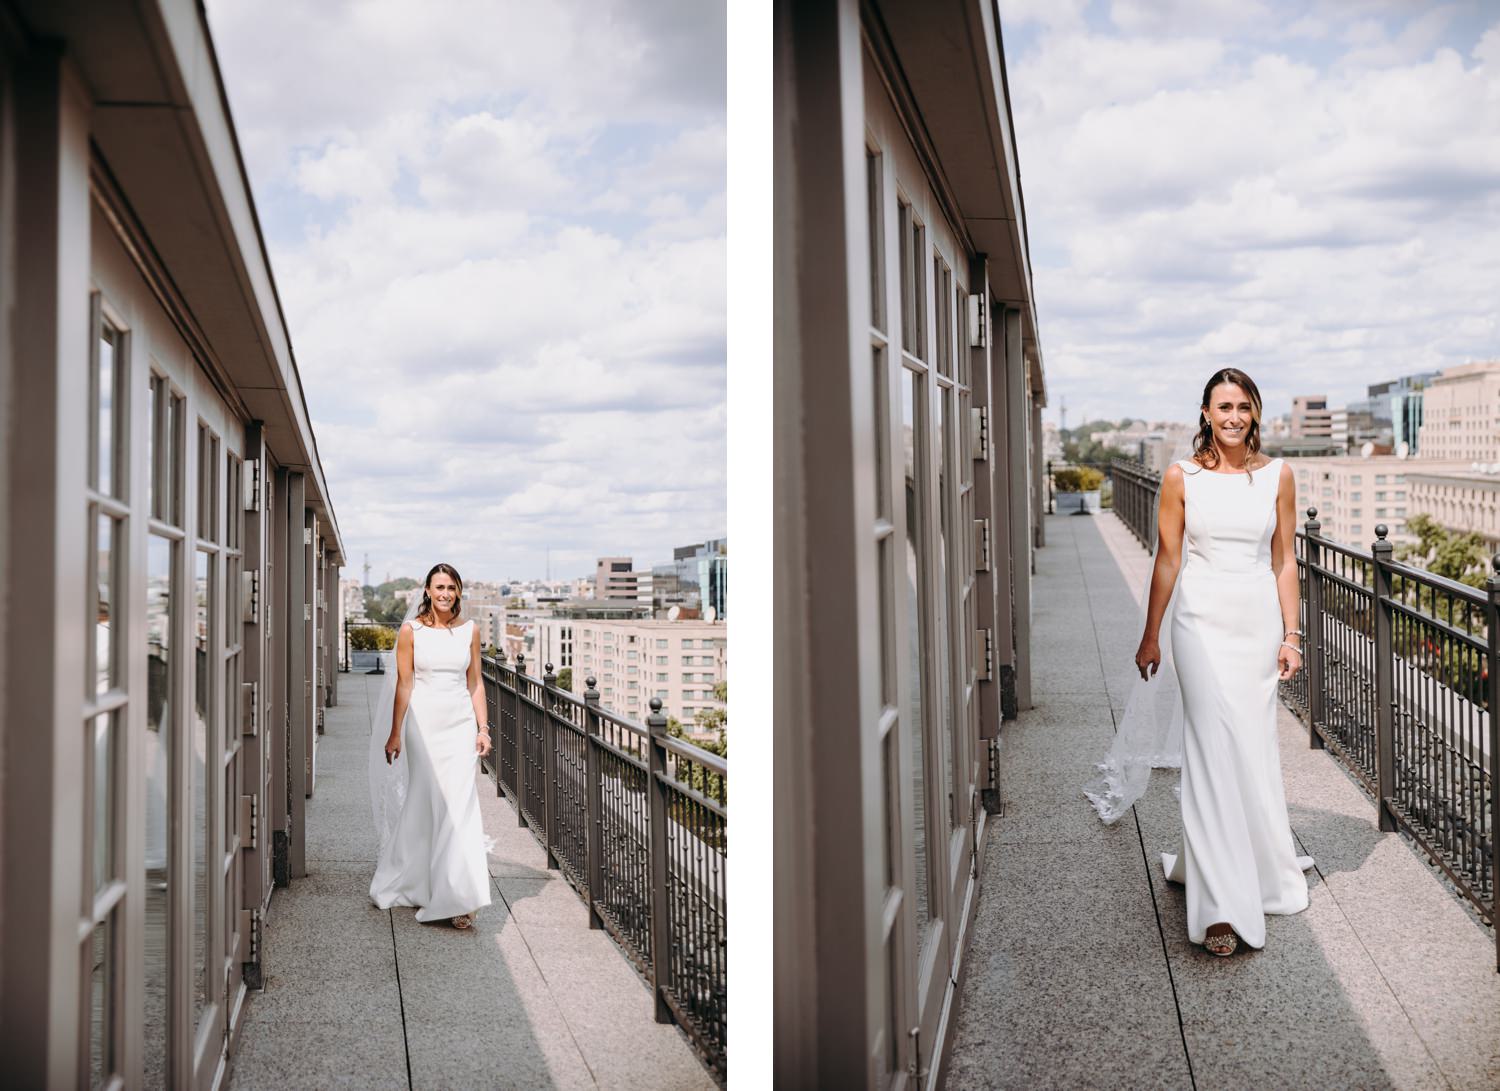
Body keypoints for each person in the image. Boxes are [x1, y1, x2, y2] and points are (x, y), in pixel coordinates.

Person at [1131, 368, 1313, 956]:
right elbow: (1167, 560)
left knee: (1250, 748)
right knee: (1208, 749)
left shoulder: (1279, 476)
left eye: (1243, 405)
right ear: (1205, 413)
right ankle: (1218, 908)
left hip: (1256, 626)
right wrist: (1151, 634)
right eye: (1222, 406)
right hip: (1199, 626)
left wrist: (1292, 634)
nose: (1233, 416)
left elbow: (1285, 561)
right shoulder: (1180, 477)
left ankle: (1249, 864)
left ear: (1255, 411)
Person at [369, 563, 493, 929]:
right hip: (422, 727)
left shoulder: (470, 631)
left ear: (458, 592)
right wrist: (395, 732)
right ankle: (414, 878)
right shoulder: (411, 632)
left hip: (459, 726)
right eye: (439, 587)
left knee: (459, 806)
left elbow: (476, 684)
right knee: (426, 800)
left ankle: (458, 896)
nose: (445, 594)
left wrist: (483, 728)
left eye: (451, 588)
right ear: (426, 590)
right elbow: (403, 686)